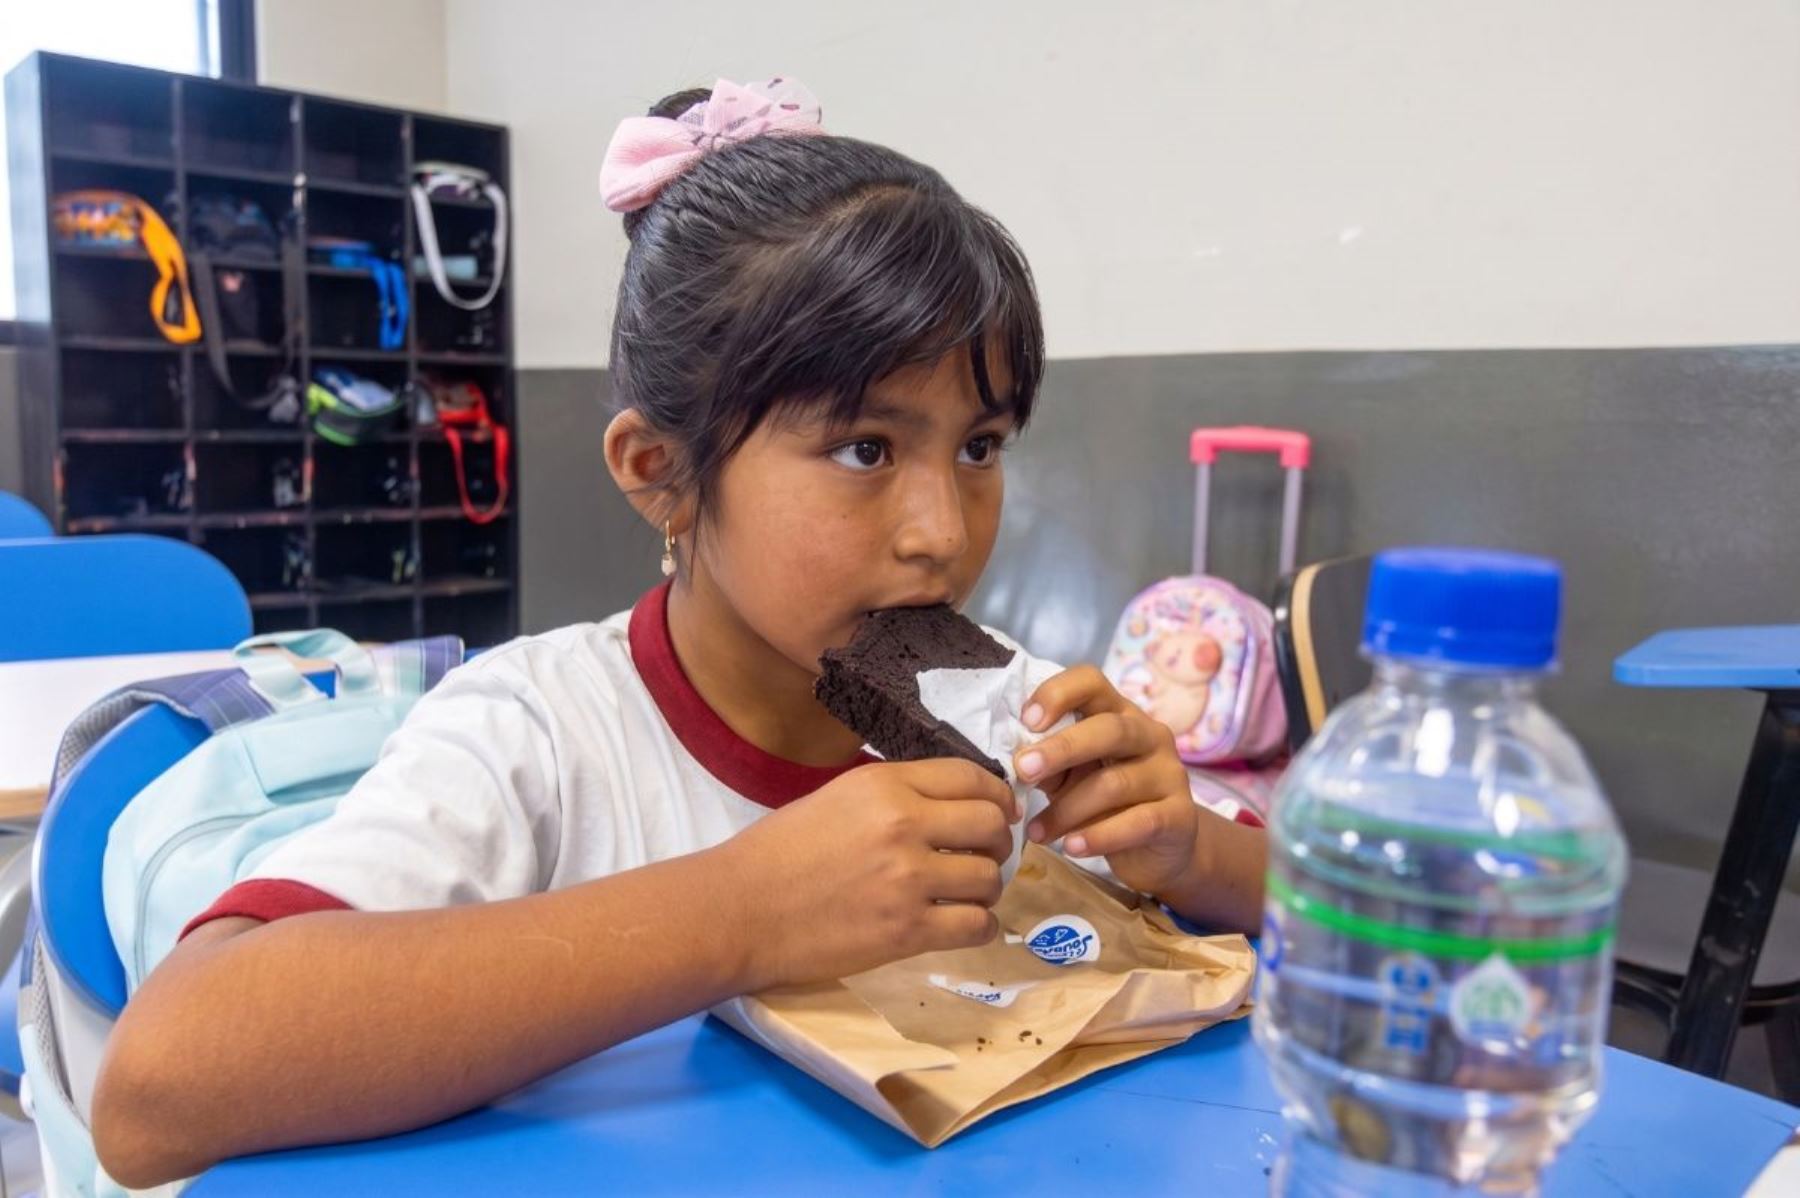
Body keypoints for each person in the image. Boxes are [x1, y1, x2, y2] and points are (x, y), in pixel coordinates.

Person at [91, 77, 1268, 1188]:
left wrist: (1190, 854)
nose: (941, 531)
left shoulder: (1004, 710)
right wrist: (742, 912)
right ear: (662, 472)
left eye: (980, 446)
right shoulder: (538, 735)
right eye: (864, 448)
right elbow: (159, 1085)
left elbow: (1324, 914)